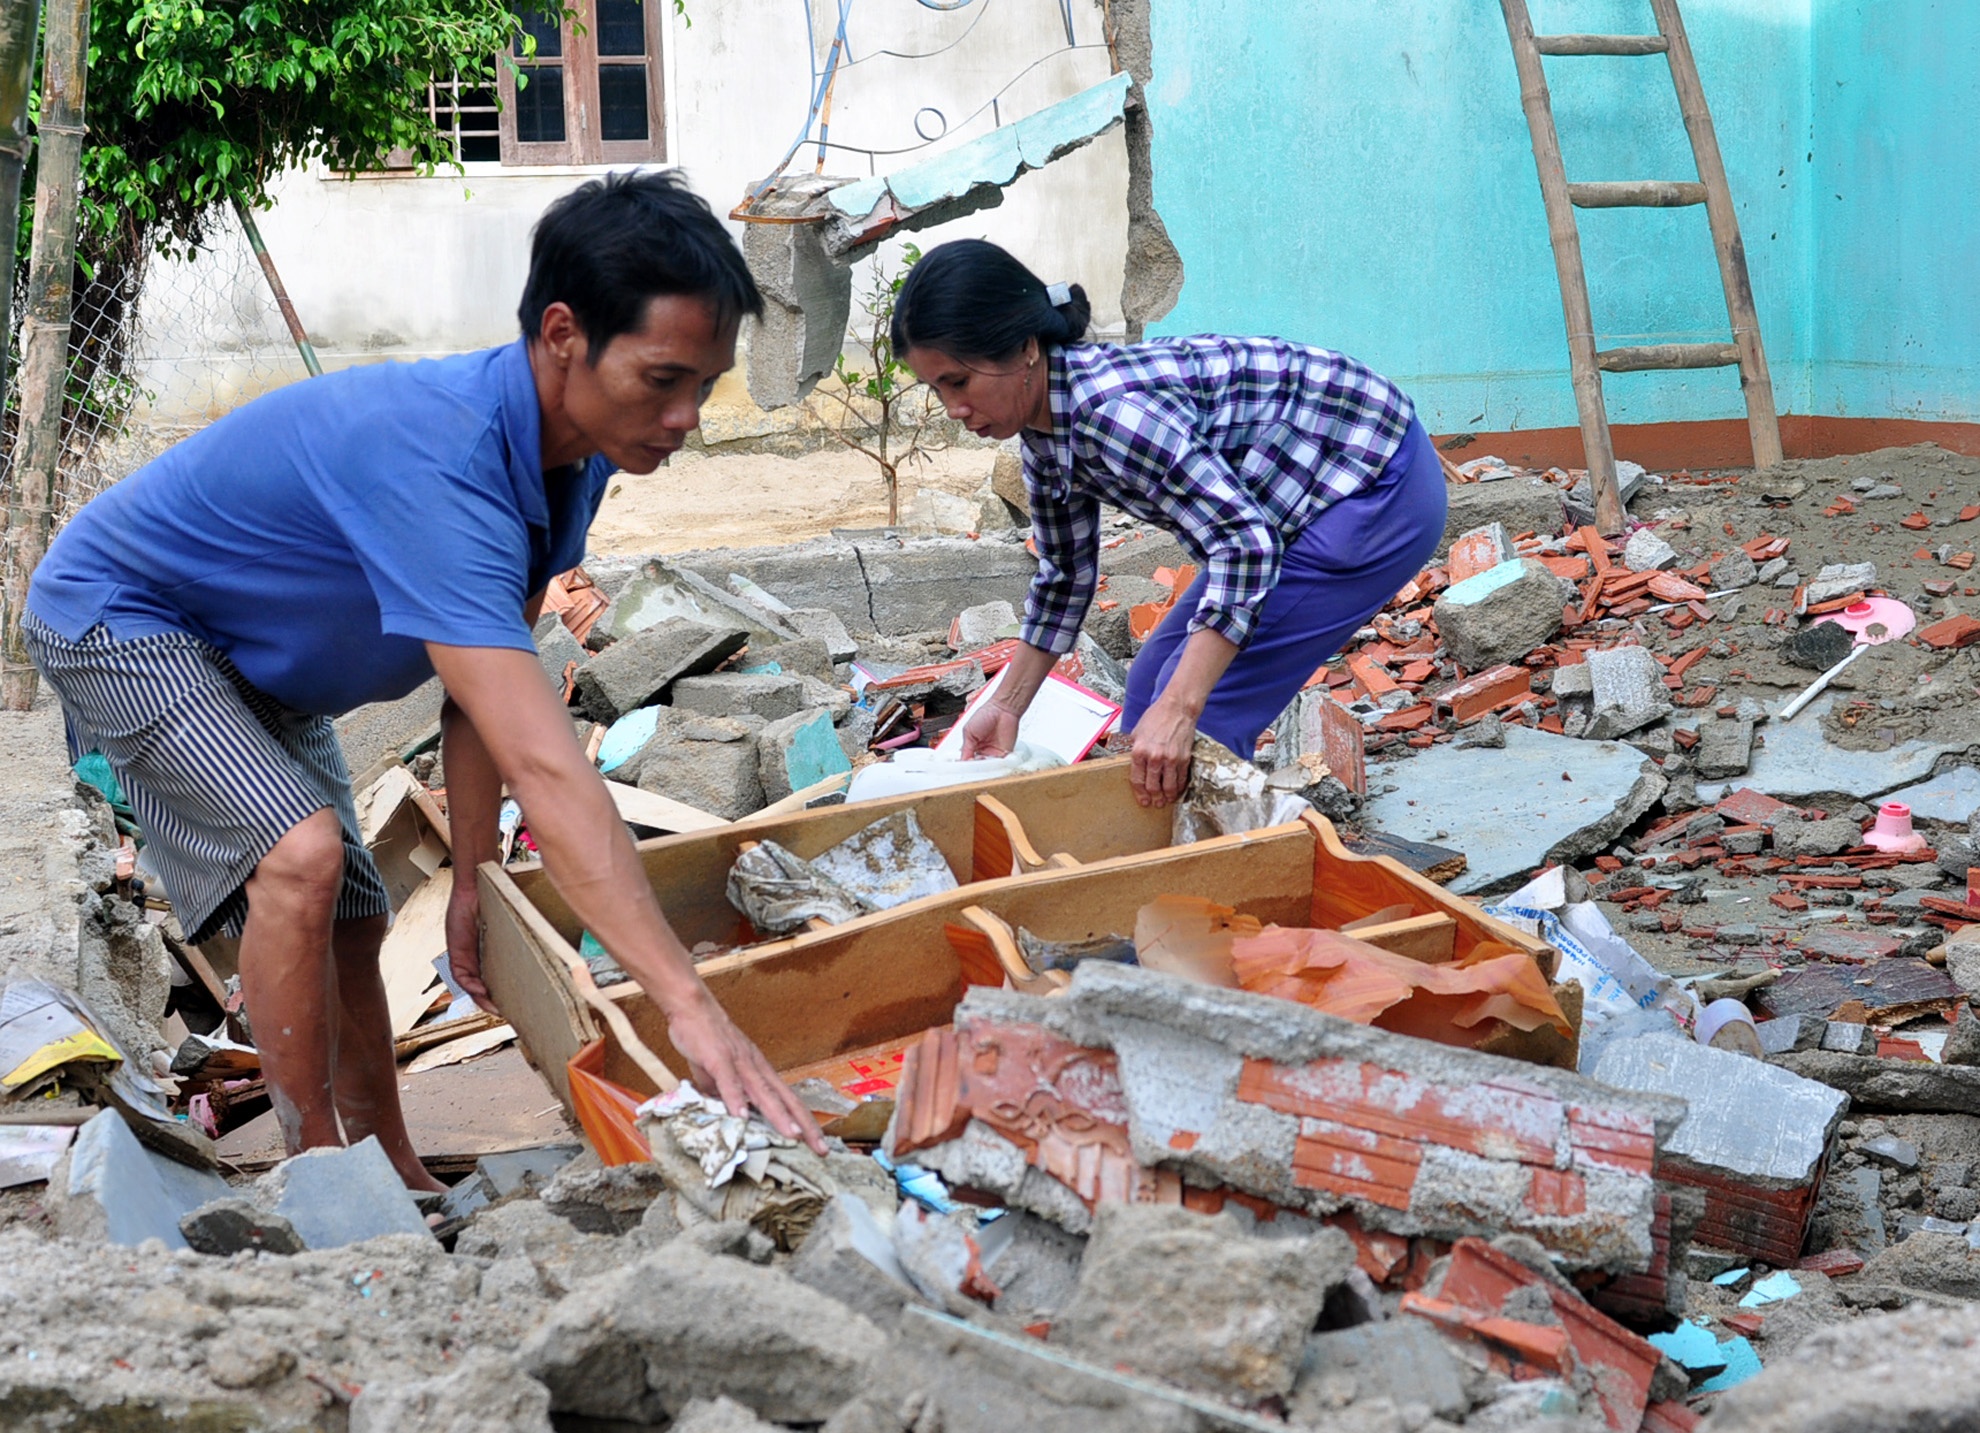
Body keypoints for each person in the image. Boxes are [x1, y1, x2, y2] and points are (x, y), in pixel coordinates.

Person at [22, 172, 825, 1187]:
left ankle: (392, 1161)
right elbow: (545, 758)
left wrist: (473, 879)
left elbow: (482, 697)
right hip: (125, 615)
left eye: (703, 386)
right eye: (663, 379)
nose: (687, 417)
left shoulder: (570, 456)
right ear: (564, 332)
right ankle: (320, 1172)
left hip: (261, 662)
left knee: (359, 914)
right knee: (303, 859)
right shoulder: (443, 458)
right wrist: (689, 1005)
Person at [893, 239, 1448, 808]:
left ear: (1026, 348)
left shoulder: (1110, 416)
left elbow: (1243, 547)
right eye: (935, 388)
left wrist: (1183, 709)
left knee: (1198, 716)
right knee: (1147, 693)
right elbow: (1064, 577)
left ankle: (1222, 880)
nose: (952, 409)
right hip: (1287, 501)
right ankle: (1168, 854)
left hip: (1374, 484)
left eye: (958, 382)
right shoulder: (1042, 430)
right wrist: (1006, 705)